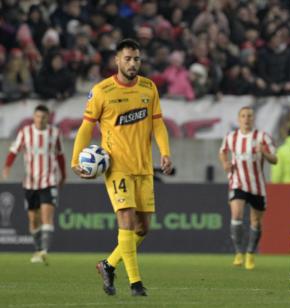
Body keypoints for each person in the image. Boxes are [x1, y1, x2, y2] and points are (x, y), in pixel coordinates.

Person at [71, 39, 172, 296]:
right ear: (117, 60)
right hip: (116, 167)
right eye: (127, 58)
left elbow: (158, 124)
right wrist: (75, 160)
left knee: (142, 228)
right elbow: (86, 128)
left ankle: (108, 264)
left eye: (136, 59)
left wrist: (165, 153)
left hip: (144, 166)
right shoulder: (102, 90)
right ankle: (136, 283)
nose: (132, 63)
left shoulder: (149, 88)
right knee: (126, 221)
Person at [2, 105, 66, 263]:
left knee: (47, 216)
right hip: (30, 182)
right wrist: (7, 167)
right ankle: (38, 250)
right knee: (33, 219)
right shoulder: (25, 132)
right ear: (34, 117)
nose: (40, 120)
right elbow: (13, 150)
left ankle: (44, 251)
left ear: (48, 118)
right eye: (38, 116)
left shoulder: (54, 133)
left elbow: (60, 156)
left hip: (49, 180)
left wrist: (63, 175)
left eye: (44, 117)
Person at [218, 106, 277, 270]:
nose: (246, 119)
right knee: (236, 214)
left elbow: (275, 159)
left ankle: (250, 253)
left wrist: (264, 153)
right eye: (243, 116)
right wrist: (225, 163)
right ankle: (238, 253)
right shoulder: (231, 137)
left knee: (256, 222)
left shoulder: (262, 137)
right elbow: (222, 151)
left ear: (253, 119)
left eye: (249, 116)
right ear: (238, 119)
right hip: (238, 182)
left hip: (257, 185)